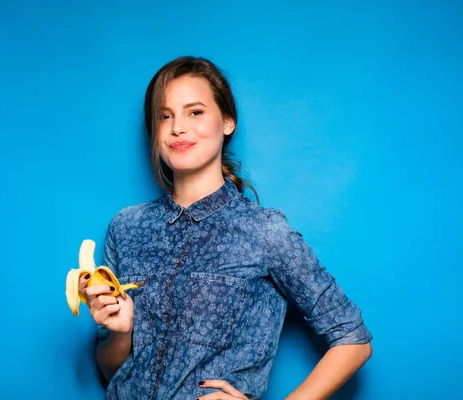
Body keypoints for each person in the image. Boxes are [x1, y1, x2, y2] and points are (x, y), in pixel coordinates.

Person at [79, 56, 372, 400]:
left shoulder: (264, 232)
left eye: (196, 112)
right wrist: (121, 332)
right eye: (165, 116)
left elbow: (354, 339)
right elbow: (113, 371)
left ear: (228, 121)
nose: (178, 128)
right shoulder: (126, 227)